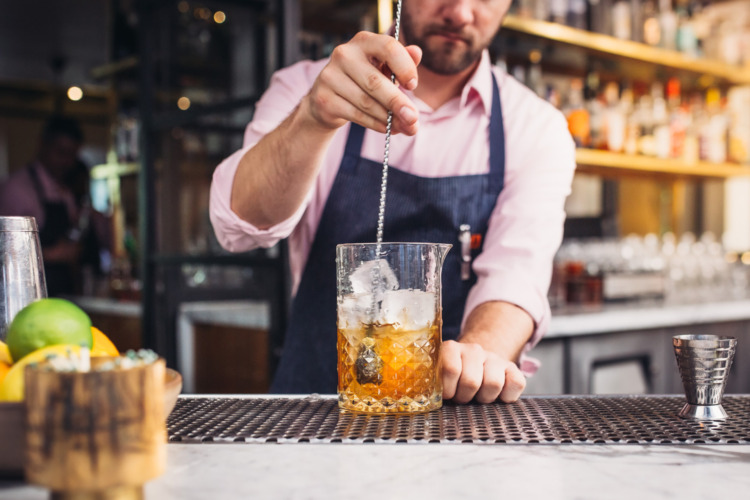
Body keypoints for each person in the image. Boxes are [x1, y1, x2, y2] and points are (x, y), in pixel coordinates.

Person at [210, 0, 576, 403]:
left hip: (451, 416)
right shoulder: (306, 89)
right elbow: (238, 224)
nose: (461, 12)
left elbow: (515, 275)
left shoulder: (536, 127)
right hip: (315, 412)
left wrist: (480, 353)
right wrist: (313, 118)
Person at [0, 116, 100, 297]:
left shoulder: (65, 191)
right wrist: (54, 254)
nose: (66, 162)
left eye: (72, 155)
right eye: (61, 153)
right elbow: (5, 252)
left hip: (64, 292)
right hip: (26, 294)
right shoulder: (16, 189)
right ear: (43, 145)